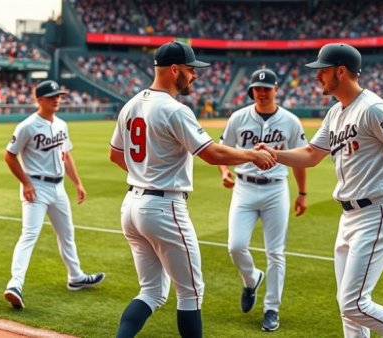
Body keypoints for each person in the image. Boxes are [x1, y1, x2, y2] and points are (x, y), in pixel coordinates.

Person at [257, 43, 383, 338]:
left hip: (377, 212)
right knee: (349, 311)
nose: (317, 76)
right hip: (349, 218)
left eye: (322, 71)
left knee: (354, 303)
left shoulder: (373, 107)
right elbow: (311, 155)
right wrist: (273, 154)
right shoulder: (335, 113)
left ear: (340, 71)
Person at [109, 41, 276, 338]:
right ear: (174, 70)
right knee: (191, 293)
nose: (195, 76)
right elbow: (211, 153)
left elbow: (115, 155)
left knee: (151, 292)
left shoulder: (132, 103)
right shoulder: (175, 110)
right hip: (163, 208)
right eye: (190, 69)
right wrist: (252, 154)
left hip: (131, 205)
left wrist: (146, 174)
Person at [218, 68, 308, 332]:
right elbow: (223, 150)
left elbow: (300, 159)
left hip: (276, 189)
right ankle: (251, 279)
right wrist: (224, 172)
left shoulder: (290, 121)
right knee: (235, 246)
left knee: (276, 252)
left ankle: (272, 308)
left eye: (267, 88)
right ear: (251, 91)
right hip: (244, 188)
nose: (262, 92)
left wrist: (302, 193)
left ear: (276, 89)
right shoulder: (238, 117)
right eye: (257, 88)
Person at [3, 80, 105, 310]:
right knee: (29, 235)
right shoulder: (27, 126)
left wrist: (77, 183)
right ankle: (15, 284)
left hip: (58, 188)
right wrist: (25, 183)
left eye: (58, 96)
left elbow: (66, 156)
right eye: (51, 97)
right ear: (39, 100)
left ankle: (76, 277)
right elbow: (9, 155)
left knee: (67, 233)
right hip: (36, 188)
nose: (57, 99)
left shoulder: (61, 124)